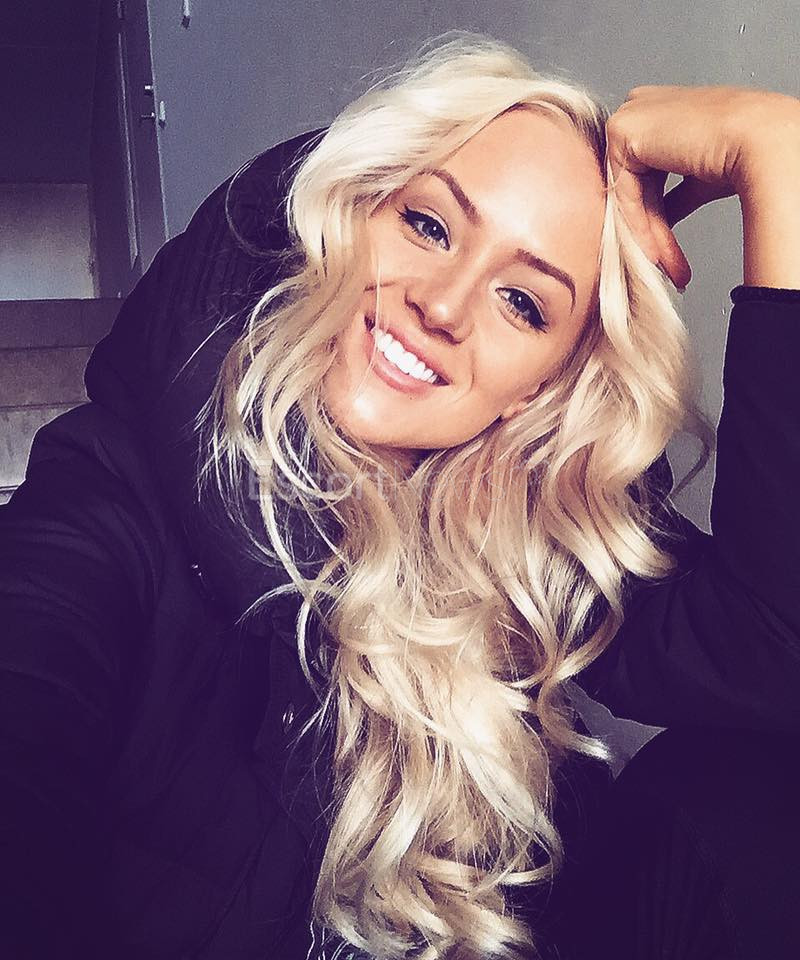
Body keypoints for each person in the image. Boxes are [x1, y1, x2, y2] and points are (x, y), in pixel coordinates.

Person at [1, 32, 800, 960]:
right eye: (428, 225)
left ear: (538, 387)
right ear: (353, 213)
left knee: (751, 792)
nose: (445, 305)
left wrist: (777, 155)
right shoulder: (112, 490)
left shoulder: (527, 540)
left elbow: (772, 649)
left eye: (523, 303)